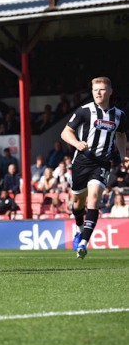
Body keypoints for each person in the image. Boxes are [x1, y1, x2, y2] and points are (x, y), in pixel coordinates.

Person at [62, 77, 128, 259]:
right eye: (95, 90)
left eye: (102, 89)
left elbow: (121, 135)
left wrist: (124, 156)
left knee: (94, 198)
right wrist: (77, 143)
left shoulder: (119, 115)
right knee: (77, 204)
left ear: (110, 91)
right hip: (81, 162)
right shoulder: (84, 111)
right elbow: (65, 132)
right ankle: (80, 229)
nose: (98, 93)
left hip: (102, 164)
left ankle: (84, 242)